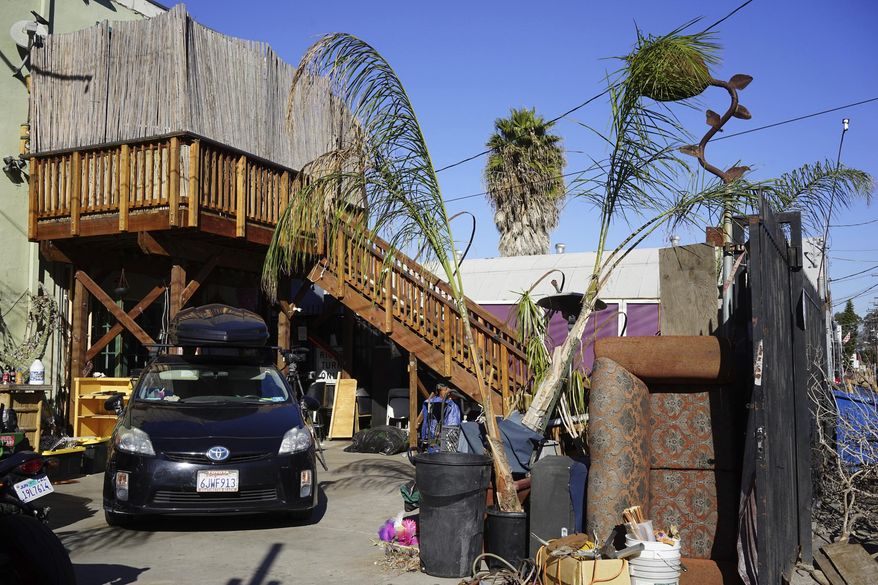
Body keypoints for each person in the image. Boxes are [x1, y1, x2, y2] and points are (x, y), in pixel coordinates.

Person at [418, 383, 462, 452]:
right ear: (439, 391)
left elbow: (452, 424)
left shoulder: (453, 405)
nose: (447, 392)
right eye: (445, 390)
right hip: (435, 437)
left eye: (447, 390)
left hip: (448, 438)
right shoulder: (433, 402)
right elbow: (428, 423)